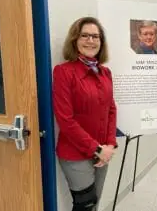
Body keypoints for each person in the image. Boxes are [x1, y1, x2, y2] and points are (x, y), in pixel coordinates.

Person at [52, 17, 117, 211]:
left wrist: (109, 144)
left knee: (95, 202)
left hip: (103, 151)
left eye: (96, 36)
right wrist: (96, 149)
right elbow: (65, 119)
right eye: (85, 35)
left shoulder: (105, 72)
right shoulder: (63, 71)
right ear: (75, 40)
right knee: (85, 205)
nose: (91, 40)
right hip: (75, 152)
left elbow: (111, 109)